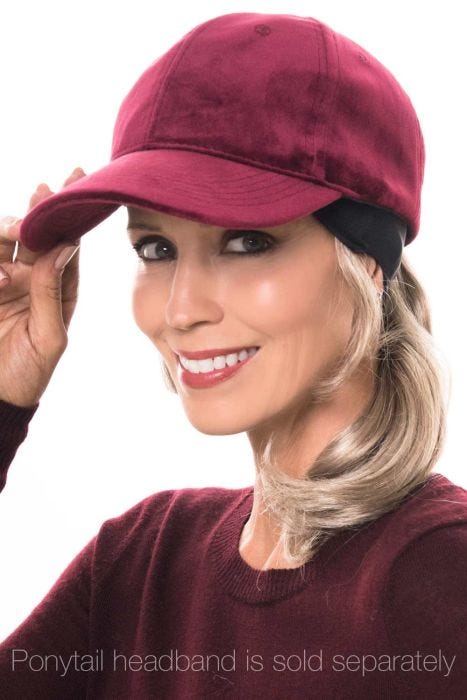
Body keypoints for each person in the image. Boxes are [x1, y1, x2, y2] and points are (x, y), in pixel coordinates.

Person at [1, 11, 466, 698]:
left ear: (368, 261)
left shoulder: (443, 577)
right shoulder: (139, 563)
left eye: (247, 242)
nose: (181, 309)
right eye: (156, 248)